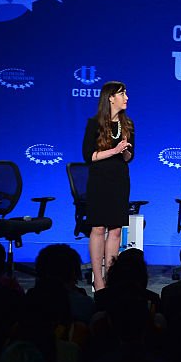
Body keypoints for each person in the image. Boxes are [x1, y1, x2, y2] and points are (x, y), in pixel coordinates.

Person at [81, 81, 134, 291]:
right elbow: (88, 156)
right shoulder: (94, 124)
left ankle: (110, 277)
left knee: (115, 230)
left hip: (120, 181)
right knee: (98, 228)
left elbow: (130, 157)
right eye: (123, 94)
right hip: (99, 181)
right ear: (111, 98)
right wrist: (114, 151)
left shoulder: (128, 124)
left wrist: (125, 151)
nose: (126, 97)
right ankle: (98, 280)